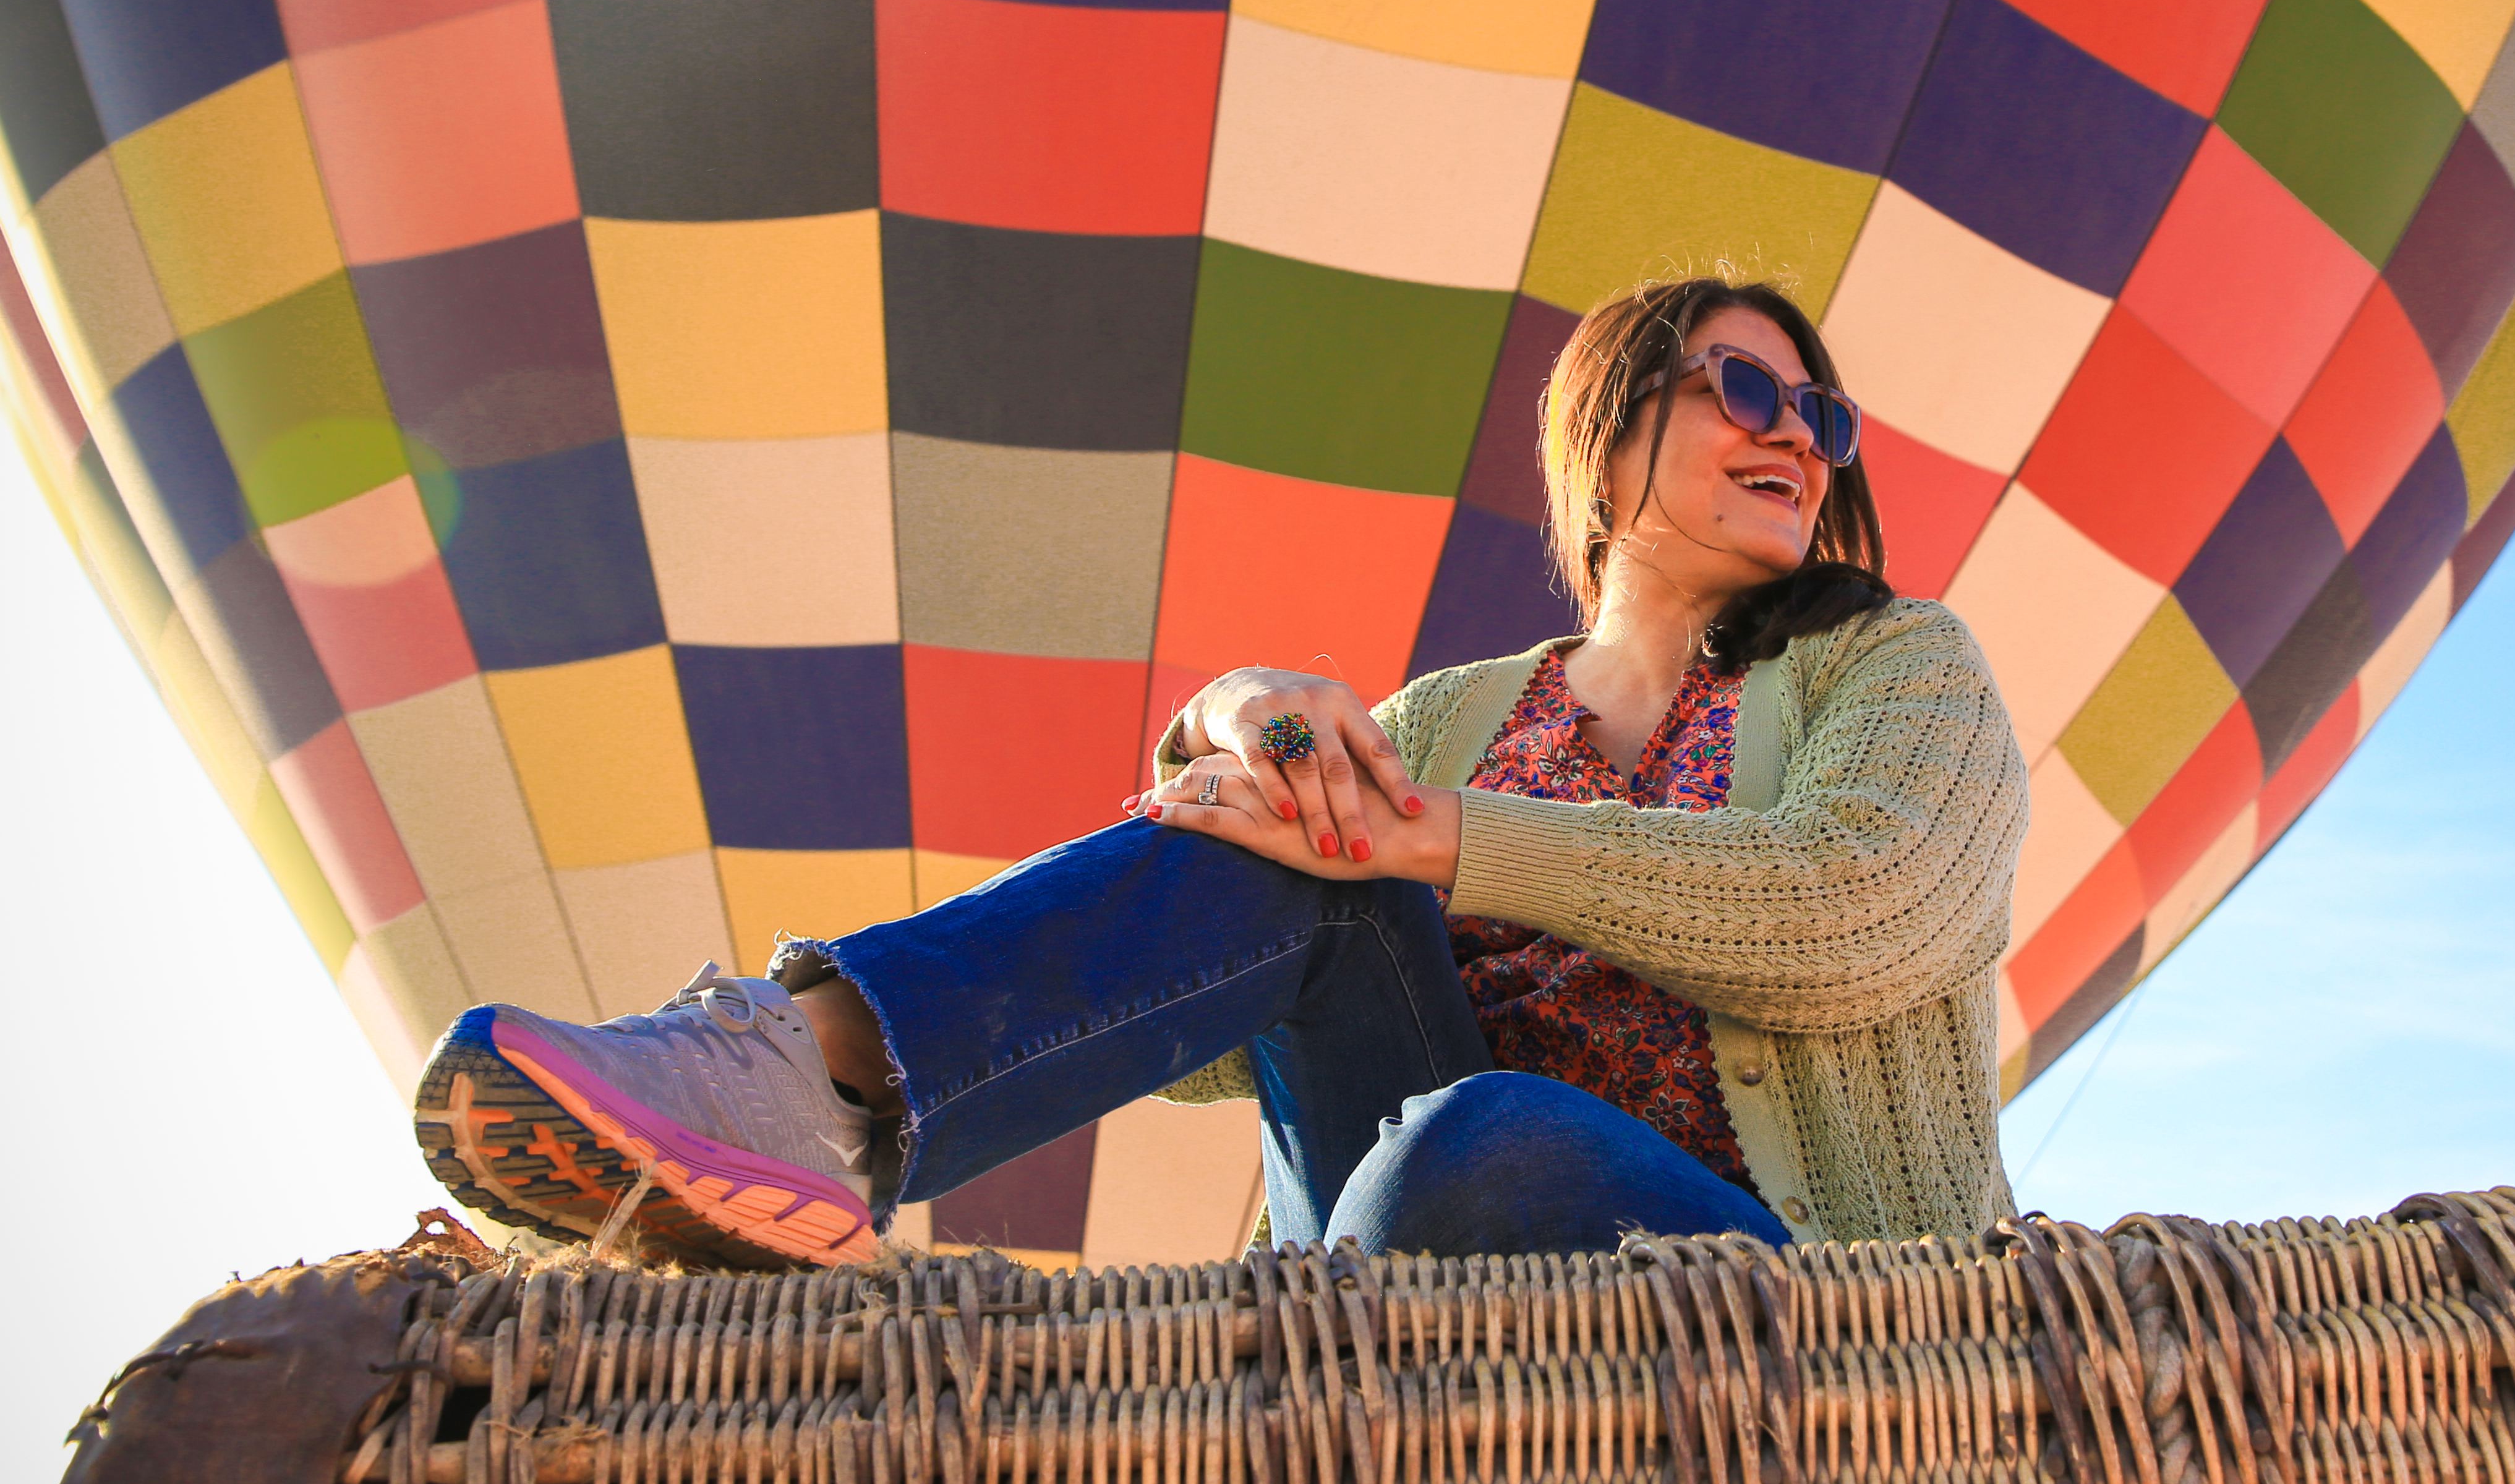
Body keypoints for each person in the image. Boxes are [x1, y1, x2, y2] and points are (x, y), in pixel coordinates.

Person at [413, 278, 2030, 1268]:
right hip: (1394, 1236)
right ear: (1605, 436)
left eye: (1824, 411)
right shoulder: (1459, 709)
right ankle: (805, 1083)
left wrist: (1433, 839)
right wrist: (1230, 728)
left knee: (1481, 1138)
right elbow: (1192, 1028)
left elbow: (1866, 907)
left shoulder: (1890, 663)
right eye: (1746, 390)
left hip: (1792, 1291)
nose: (1802, 435)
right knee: (1299, 859)